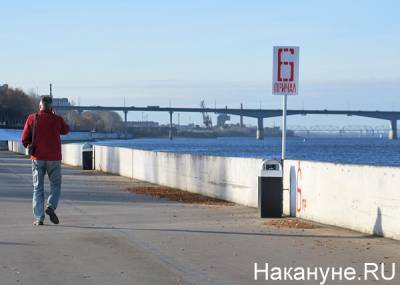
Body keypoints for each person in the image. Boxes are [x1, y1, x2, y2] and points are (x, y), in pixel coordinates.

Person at [21, 96, 70, 226]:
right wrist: (57, 115)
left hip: (37, 158)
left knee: (38, 188)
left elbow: (24, 139)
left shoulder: (32, 118)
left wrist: (28, 146)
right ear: (51, 106)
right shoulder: (57, 119)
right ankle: (51, 206)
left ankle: (39, 218)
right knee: (55, 185)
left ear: (40, 105)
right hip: (54, 158)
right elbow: (66, 130)